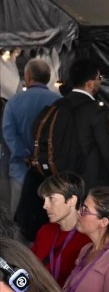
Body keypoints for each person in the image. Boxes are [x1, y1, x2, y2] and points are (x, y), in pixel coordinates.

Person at [1, 59, 60, 216]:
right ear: (48, 77)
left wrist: (25, 154)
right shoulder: (59, 101)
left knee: (19, 216)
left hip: (21, 169)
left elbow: (9, 134)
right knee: (50, 216)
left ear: (27, 76)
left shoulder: (14, 102)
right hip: (52, 171)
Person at [56, 58, 109, 189]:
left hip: (63, 178)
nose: (100, 81)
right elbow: (107, 149)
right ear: (90, 84)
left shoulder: (58, 106)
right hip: (93, 181)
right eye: (99, 78)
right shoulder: (95, 110)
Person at [30, 172, 91, 285]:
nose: (44, 205)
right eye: (44, 199)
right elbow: (29, 266)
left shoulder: (89, 238)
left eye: (51, 198)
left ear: (72, 200)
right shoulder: (45, 231)